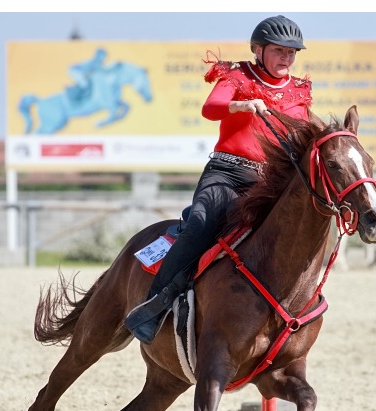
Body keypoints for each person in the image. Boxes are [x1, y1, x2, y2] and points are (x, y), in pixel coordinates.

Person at [124, 14, 312, 344]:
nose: (286, 58)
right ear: (258, 50)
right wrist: (242, 104)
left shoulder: (299, 91)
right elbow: (211, 108)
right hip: (226, 172)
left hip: (270, 183)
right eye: (279, 51)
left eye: (292, 53)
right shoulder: (238, 74)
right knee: (199, 226)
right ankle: (154, 305)